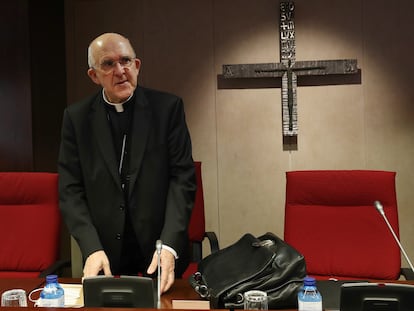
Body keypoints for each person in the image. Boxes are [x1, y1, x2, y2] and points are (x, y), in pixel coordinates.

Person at [58, 32, 196, 293]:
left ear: (137, 65)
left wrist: (168, 245)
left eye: (126, 61)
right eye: (108, 64)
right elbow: (70, 191)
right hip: (105, 257)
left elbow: (182, 180)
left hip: (159, 252)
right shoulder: (76, 119)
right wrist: (91, 247)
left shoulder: (167, 109)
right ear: (94, 75)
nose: (120, 70)